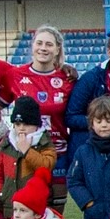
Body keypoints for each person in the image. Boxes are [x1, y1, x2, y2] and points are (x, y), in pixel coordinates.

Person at [8, 24, 76, 206]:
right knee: (28, 205)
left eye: (49, 44)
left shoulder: (68, 79)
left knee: (55, 207)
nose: (43, 48)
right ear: (32, 46)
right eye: (39, 43)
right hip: (25, 151)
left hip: (58, 152)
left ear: (57, 49)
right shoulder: (14, 74)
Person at [65, 27, 110, 160]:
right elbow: (71, 117)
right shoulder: (91, 79)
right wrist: (101, 123)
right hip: (92, 149)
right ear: (109, 51)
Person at [0, 96, 57, 219]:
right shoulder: (7, 144)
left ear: (36, 125)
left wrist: (27, 151)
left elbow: (47, 166)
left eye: (26, 124)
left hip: (35, 209)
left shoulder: (44, 143)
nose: (21, 128)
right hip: (11, 207)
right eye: (18, 124)